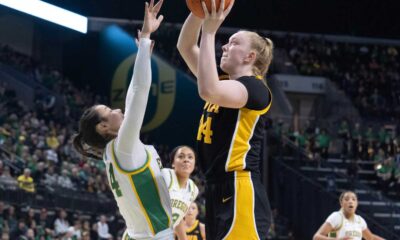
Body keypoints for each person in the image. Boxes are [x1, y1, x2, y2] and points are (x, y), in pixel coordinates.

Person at [72, 1, 176, 239]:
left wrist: (144, 55)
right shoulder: (123, 148)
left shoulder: (116, 152)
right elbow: (138, 93)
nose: (118, 110)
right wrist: (146, 37)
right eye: (110, 111)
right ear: (104, 127)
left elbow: (133, 95)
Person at [177, 0, 273, 238]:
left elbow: (208, 90)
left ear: (250, 56)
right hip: (215, 188)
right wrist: (201, 12)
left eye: (233, 43)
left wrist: (210, 31)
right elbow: (186, 45)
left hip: (239, 186)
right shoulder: (225, 82)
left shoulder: (256, 90)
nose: (225, 47)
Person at [313, 191, 385, 240]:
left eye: (353, 199)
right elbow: (316, 237)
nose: (350, 201)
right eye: (347, 199)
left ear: (357, 203)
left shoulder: (360, 220)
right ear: (341, 203)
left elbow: (371, 238)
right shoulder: (336, 216)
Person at [162, 146, 199, 235]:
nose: (186, 160)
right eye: (181, 156)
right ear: (173, 163)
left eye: (190, 157)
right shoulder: (165, 175)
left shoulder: (194, 190)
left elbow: (178, 219)